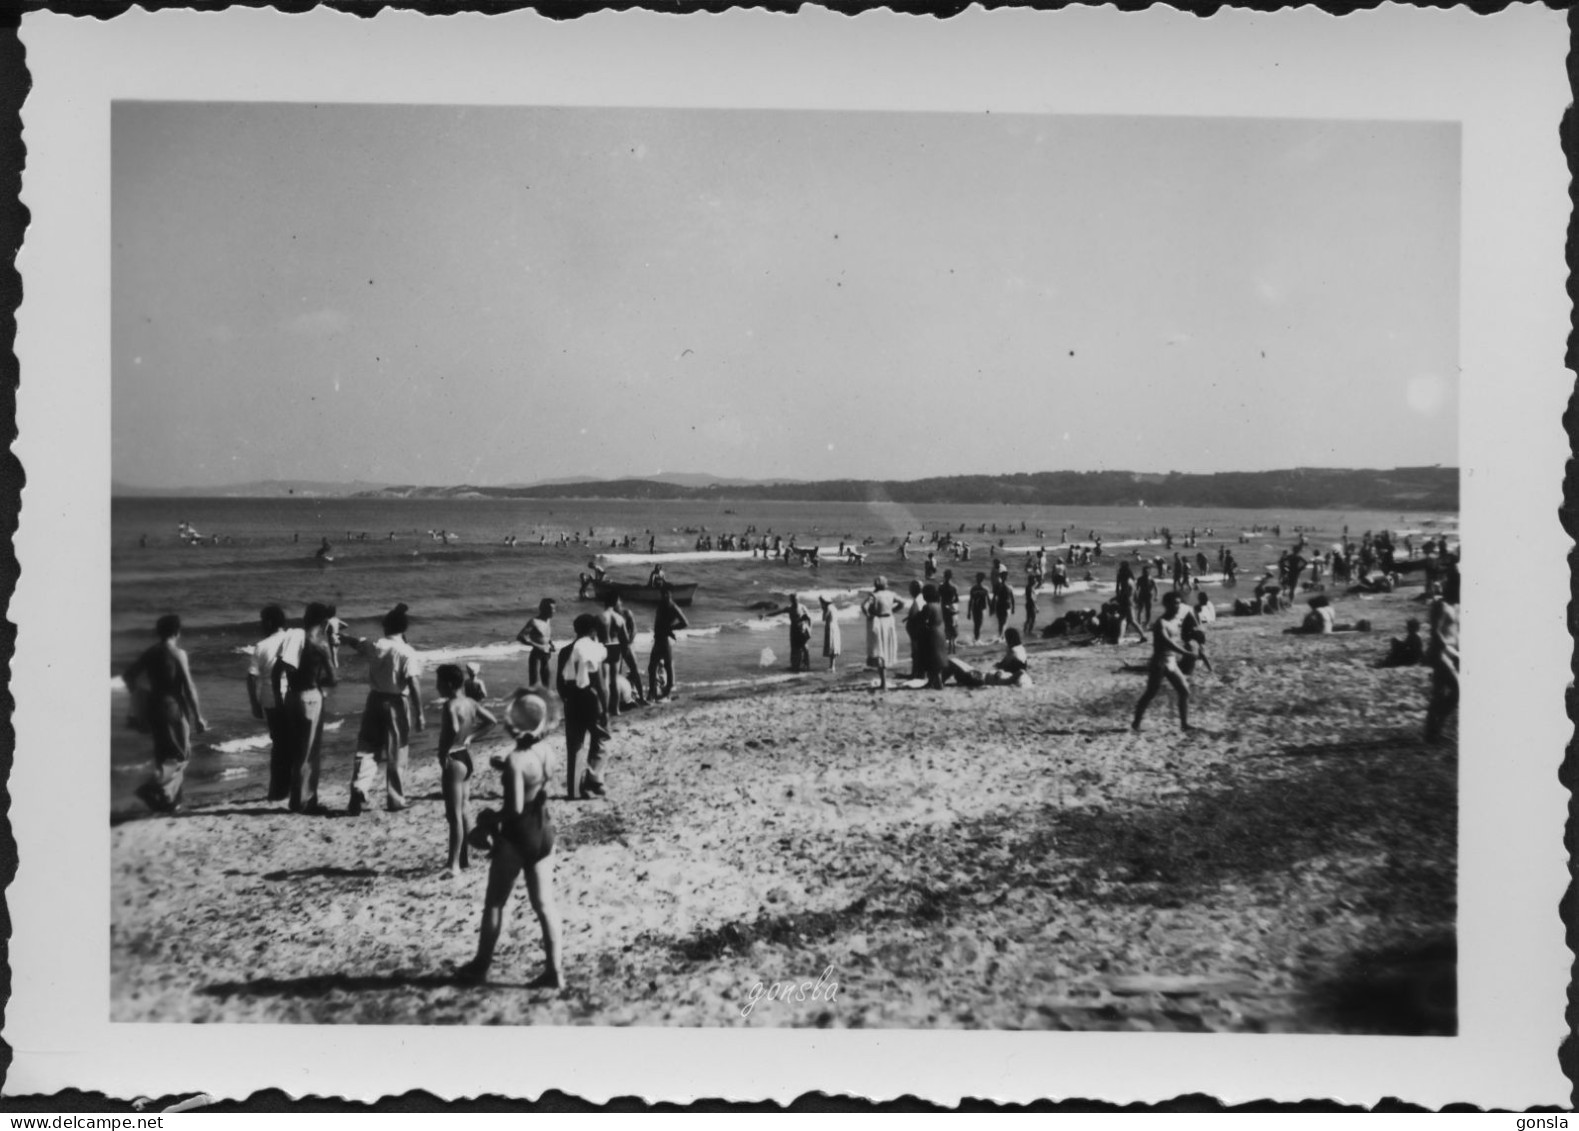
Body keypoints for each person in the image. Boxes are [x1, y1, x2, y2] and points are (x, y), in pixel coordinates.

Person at [455, 690, 562, 990]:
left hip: (518, 836)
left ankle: (480, 965)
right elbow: (535, 781)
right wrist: (509, 770)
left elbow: (514, 809)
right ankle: (555, 972)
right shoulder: (547, 752)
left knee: (495, 903)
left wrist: (489, 818)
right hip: (544, 830)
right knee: (545, 905)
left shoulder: (516, 760)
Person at [342, 603, 426, 814]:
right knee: (397, 750)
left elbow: (358, 643)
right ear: (404, 629)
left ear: (385, 627)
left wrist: (342, 637)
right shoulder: (407, 651)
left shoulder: (377, 645)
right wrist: (420, 713)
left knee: (368, 746)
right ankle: (395, 798)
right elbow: (413, 683)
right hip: (397, 702)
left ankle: (360, 786)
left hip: (374, 699)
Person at [124, 614, 207, 813]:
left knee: (163, 755)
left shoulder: (151, 653)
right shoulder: (178, 654)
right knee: (181, 755)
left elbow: (129, 676)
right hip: (173, 707)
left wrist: (139, 697)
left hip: (154, 706)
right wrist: (198, 717)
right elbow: (189, 687)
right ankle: (153, 788)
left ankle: (171, 802)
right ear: (177, 632)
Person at [434, 663, 500, 878]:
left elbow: (452, 727)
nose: (437, 687)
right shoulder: (470, 702)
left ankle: (453, 864)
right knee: (462, 810)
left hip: (453, 758)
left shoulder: (450, 705)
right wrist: (471, 736)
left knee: (453, 816)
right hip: (466, 756)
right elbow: (492, 721)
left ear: (448, 684)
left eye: (439, 683)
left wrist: (442, 751)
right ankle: (463, 859)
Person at [273, 601, 338, 814]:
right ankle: (305, 800)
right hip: (310, 696)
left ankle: (295, 798)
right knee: (309, 752)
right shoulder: (319, 643)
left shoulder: (294, 639)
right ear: (324, 621)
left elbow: (277, 671)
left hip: (291, 694)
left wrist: (278, 698)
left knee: (296, 749)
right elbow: (333, 677)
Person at [557, 613, 610, 799]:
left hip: (572, 699)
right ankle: (593, 778)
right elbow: (601, 683)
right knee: (601, 738)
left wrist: (566, 698)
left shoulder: (565, 651)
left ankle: (573, 790)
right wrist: (606, 707)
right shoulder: (595, 649)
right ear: (593, 630)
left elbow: (559, 683)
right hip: (592, 698)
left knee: (575, 745)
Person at [246, 604, 292, 803]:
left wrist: (255, 704)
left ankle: (277, 790)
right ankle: (290, 787)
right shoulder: (294, 639)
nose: (259, 625)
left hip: (270, 700)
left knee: (279, 745)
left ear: (268, 622)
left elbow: (251, 677)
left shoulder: (261, 646)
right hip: (291, 697)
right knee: (293, 744)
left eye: (262, 621)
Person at [1131, 591, 1196, 733]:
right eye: (1174, 603)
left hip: (1171, 661)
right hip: (1159, 662)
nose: (1177, 606)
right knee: (1150, 693)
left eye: (1179, 603)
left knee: (1184, 690)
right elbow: (1167, 642)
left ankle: (1184, 724)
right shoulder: (1161, 623)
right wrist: (1185, 653)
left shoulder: (1176, 620)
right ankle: (1136, 722)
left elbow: (1191, 623)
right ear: (1166, 605)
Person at [1423, 586, 1460, 743]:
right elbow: (1435, 632)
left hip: (1451, 655)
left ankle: (1433, 731)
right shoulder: (1441, 606)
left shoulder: (1456, 607)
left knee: (1439, 693)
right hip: (1441, 654)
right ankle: (1435, 726)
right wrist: (1451, 652)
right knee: (1457, 690)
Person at [649, 585, 688, 701]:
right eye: (662, 594)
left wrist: (670, 628)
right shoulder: (661, 604)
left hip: (665, 639)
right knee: (652, 667)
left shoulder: (672, 606)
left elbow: (685, 622)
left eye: (665, 594)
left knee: (667, 665)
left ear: (669, 593)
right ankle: (653, 692)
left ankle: (666, 691)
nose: (663, 596)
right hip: (659, 638)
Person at [863, 576, 900, 691]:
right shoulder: (891, 594)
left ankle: (883, 683)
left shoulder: (874, 595)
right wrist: (892, 611)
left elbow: (864, 606)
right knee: (886, 649)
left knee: (880, 652)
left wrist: (868, 615)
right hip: (889, 621)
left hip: (878, 622)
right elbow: (902, 603)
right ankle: (884, 682)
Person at [516, 598, 557, 687]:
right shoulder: (534, 622)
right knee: (534, 684)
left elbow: (544, 636)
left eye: (554, 609)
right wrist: (539, 646)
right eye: (551, 609)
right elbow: (520, 636)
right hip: (536, 656)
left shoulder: (548, 620)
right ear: (543, 609)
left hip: (546, 655)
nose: (554, 611)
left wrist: (550, 643)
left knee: (547, 684)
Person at [916, 583, 949, 689]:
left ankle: (938, 683)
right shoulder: (938, 605)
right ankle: (931, 682)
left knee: (932, 659)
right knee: (938, 659)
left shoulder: (928, 606)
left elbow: (922, 619)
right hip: (941, 632)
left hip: (932, 634)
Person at [1114, 561, 1147, 644]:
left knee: (1129, 620)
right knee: (1125, 619)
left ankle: (1142, 636)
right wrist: (1136, 601)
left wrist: (1118, 597)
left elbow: (1121, 591)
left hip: (1126, 601)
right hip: (1129, 601)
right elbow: (1134, 592)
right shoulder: (1130, 580)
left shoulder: (1125, 580)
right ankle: (1121, 637)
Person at [787, 593, 813, 673]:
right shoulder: (789, 608)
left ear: (798, 599)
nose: (795, 601)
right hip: (793, 630)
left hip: (801, 630)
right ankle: (795, 665)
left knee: (804, 648)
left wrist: (810, 628)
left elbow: (810, 618)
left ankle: (807, 665)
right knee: (794, 648)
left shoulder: (802, 607)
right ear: (791, 600)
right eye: (793, 599)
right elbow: (778, 612)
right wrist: (766, 615)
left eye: (796, 599)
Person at [938, 569, 961, 655]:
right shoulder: (954, 587)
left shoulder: (941, 587)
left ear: (944, 576)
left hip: (944, 608)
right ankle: (953, 646)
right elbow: (957, 599)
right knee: (953, 626)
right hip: (952, 608)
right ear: (951, 577)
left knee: (947, 626)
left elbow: (937, 599)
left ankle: (950, 647)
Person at [819, 595, 842, 672]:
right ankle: (832, 665)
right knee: (834, 646)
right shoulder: (833, 607)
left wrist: (823, 609)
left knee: (831, 646)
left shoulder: (828, 608)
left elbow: (824, 618)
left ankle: (832, 666)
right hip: (835, 626)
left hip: (830, 627)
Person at [989, 573, 1015, 642]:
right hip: (1006, 606)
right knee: (1004, 622)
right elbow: (1012, 599)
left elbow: (994, 597)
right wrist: (1013, 608)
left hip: (999, 606)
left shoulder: (998, 587)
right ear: (1006, 578)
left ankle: (1001, 636)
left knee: (1000, 623)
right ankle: (1001, 636)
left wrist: (991, 607)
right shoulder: (1009, 587)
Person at [967, 572, 990, 644]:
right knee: (977, 624)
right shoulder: (974, 588)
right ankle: (977, 639)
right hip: (976, 609)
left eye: (979, 578)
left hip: (981, 609)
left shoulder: (985, 589)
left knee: (978, 624)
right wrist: (969, 612)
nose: (977, 579)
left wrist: (992, 608)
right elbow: (971, 600)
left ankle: (976, 638)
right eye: (977, 578)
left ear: (982, 579)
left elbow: (988, 600)